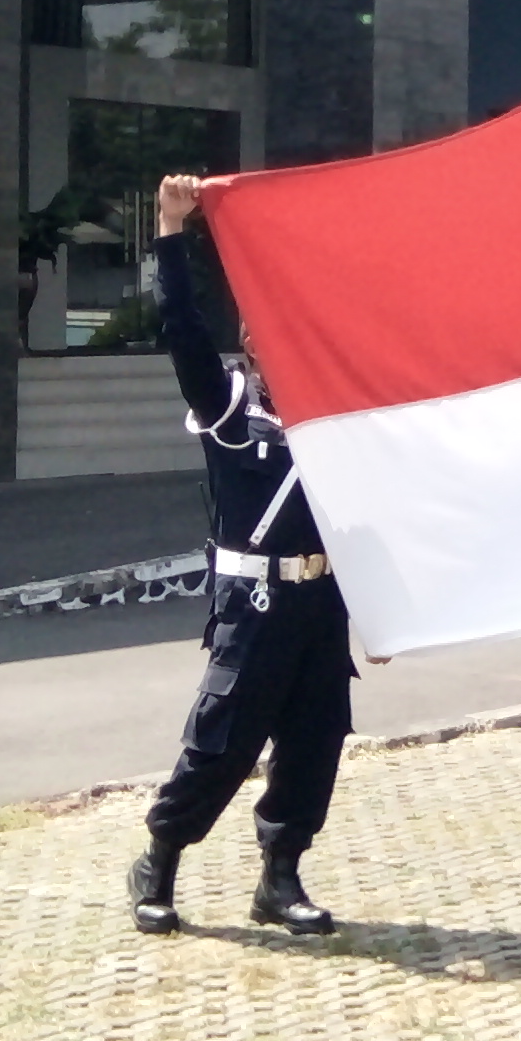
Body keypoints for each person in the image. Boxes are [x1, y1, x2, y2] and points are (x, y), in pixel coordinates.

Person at [125, 172, 365, 938]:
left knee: (315, 741)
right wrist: (171, 227)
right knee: (222, 743)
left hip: (321, 605)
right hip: (253, 606)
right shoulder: (230, 409)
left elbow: (365, 521)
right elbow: (181, 325)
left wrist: (383, 614)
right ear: (254, 345)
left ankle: (280, 877)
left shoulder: (338, 421)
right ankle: (158, 859)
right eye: (271, 333)